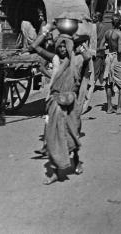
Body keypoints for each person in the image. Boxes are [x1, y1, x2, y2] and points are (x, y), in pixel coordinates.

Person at [32, 33, 90, 184]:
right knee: (53, 136)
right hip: (55, 103)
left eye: (66, 46)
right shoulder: (55, 59)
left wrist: (79, 44)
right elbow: (35, 48)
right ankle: (56, 172)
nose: (63, 48)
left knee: (72, 134)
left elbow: (88, 56)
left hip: (71, 103)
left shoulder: (76, 60)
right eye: (60, 46)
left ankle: (76, 161)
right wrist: (46, 30)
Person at [103, 15, 121, 114]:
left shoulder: (107, 33)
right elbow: (119, 50)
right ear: (120, 23)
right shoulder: (119, 33)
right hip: (116, 59)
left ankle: (109, 108)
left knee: (109, 83)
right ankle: (119, 108)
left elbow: (102, 46)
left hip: (108, 58)